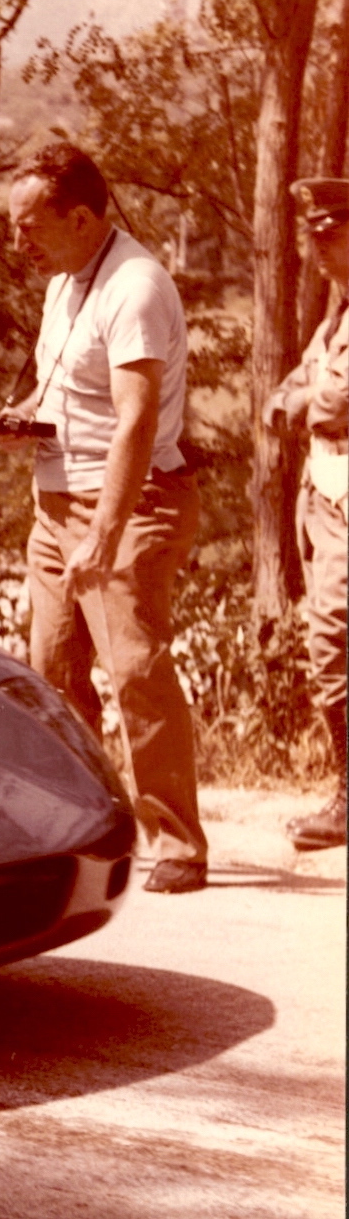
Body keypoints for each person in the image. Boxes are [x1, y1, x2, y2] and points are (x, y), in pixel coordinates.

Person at [2, 142, 207, 893]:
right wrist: (24, 416)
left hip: (129, 500)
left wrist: (105, 532)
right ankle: (86, 827)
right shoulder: (64, 281)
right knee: (51, 672)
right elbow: (64, 389)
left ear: (82, 219)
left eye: (29, 226)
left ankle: (178, 842)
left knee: (135, 669)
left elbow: (136, 420)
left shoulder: (135, 287)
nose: (18, 242)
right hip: (56, 501)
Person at [266, 176, 349, 851]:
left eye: (332, 233)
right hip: (325, 493)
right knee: (330, 646)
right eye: (313, 234)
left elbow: (331, 403)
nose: (319, 246)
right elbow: (301, 383)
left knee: (333, 642)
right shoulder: (336, 314)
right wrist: (293, 399)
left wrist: (301, 403)